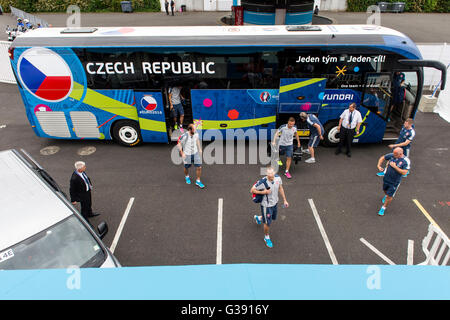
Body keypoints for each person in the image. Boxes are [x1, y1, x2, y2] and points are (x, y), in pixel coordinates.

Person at [251, 167, 289, 248]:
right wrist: (263, 192)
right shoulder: (263, 182)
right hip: (266, 205)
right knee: (267, 223)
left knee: (271, 218)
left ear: (274, 172)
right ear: (267, 174)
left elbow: (280, 188)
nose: (271, 176)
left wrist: (285, 200)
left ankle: (259, 218)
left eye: (272, 174)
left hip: (275, 203)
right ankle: (266, 237)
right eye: (269, 175)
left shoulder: (278, 178)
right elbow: (252, 190)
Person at [376, 147, 410, 216]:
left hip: (394, 182)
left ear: (400, 154)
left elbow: (404, 173)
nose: (393, 155)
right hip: (386, 178)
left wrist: (395, 167)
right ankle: (386, 195)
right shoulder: (392, 155)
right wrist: (379, 166)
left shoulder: (405, 161)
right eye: (393, 153)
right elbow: (382, 157)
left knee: (389, 196)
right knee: (385, 190)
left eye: (395, 154)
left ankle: (383, 208)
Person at [177, 123, 205, 189]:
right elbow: (179, 143)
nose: (195, 130)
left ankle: (198, 181)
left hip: (195, 153)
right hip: (187, 154)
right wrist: (182, 153)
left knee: (199, 167)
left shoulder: (196, 134)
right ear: (190, 130)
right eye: (194, 129)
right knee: (186, 167)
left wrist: (200, 148)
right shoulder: (184, 136)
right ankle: (187, 176)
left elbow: (197, 140)